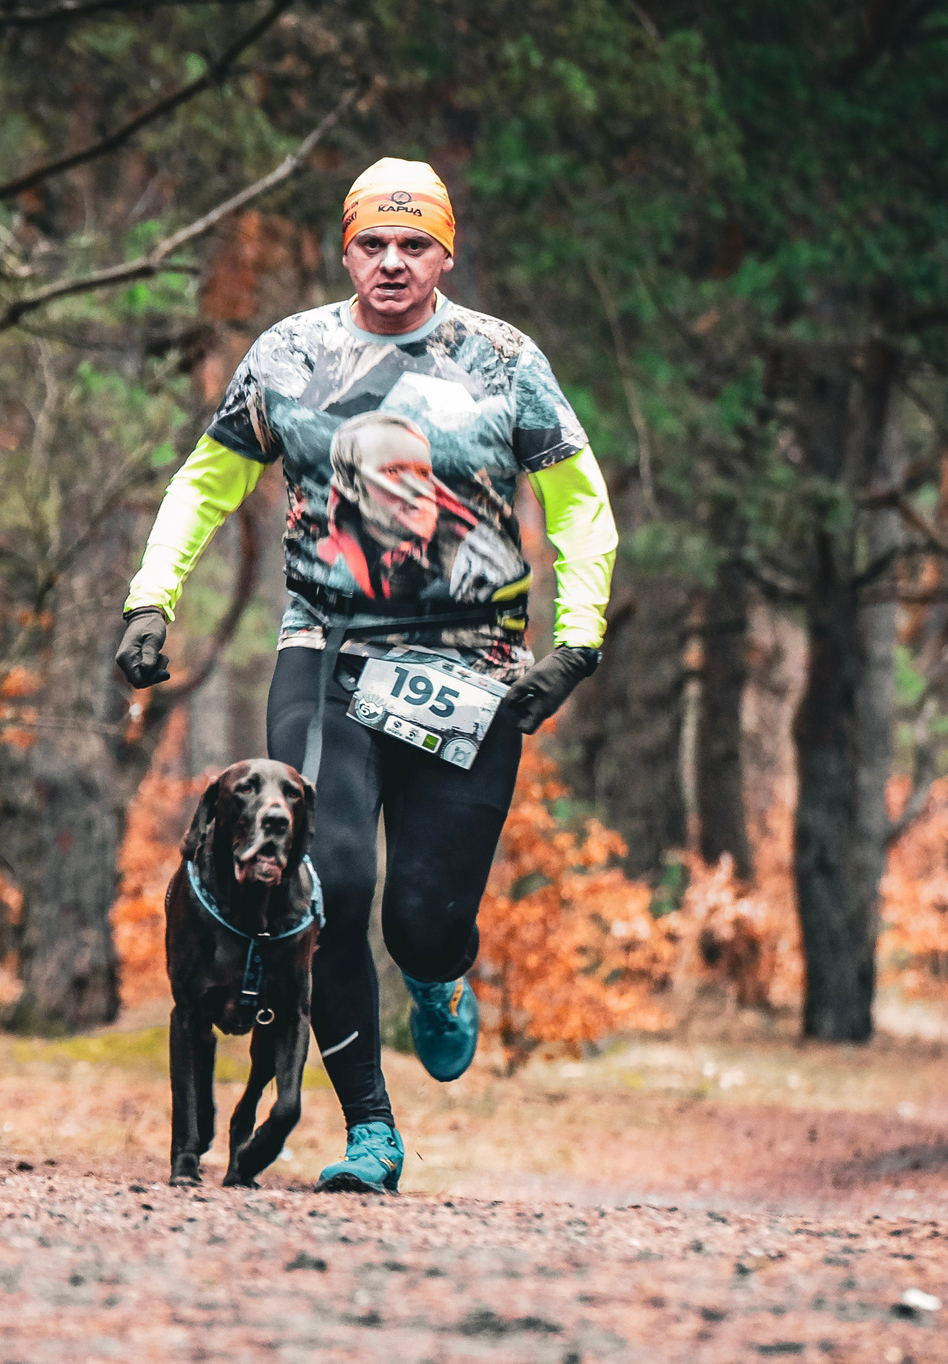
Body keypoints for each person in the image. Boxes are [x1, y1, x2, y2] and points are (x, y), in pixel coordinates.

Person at [114, 157, 619, 1195]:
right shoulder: (290, 353)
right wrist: (149, 599)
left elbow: (577, 505)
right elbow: (206, 482)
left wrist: (576, 642)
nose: (392, 263)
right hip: (328, 653)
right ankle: (371, 1133)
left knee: (422, 919)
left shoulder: (503, 360)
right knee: (331, 887)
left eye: (414, 243)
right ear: (344, 249)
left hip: (473, 667)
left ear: (446, 251)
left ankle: (437, 981)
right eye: (372, 244)